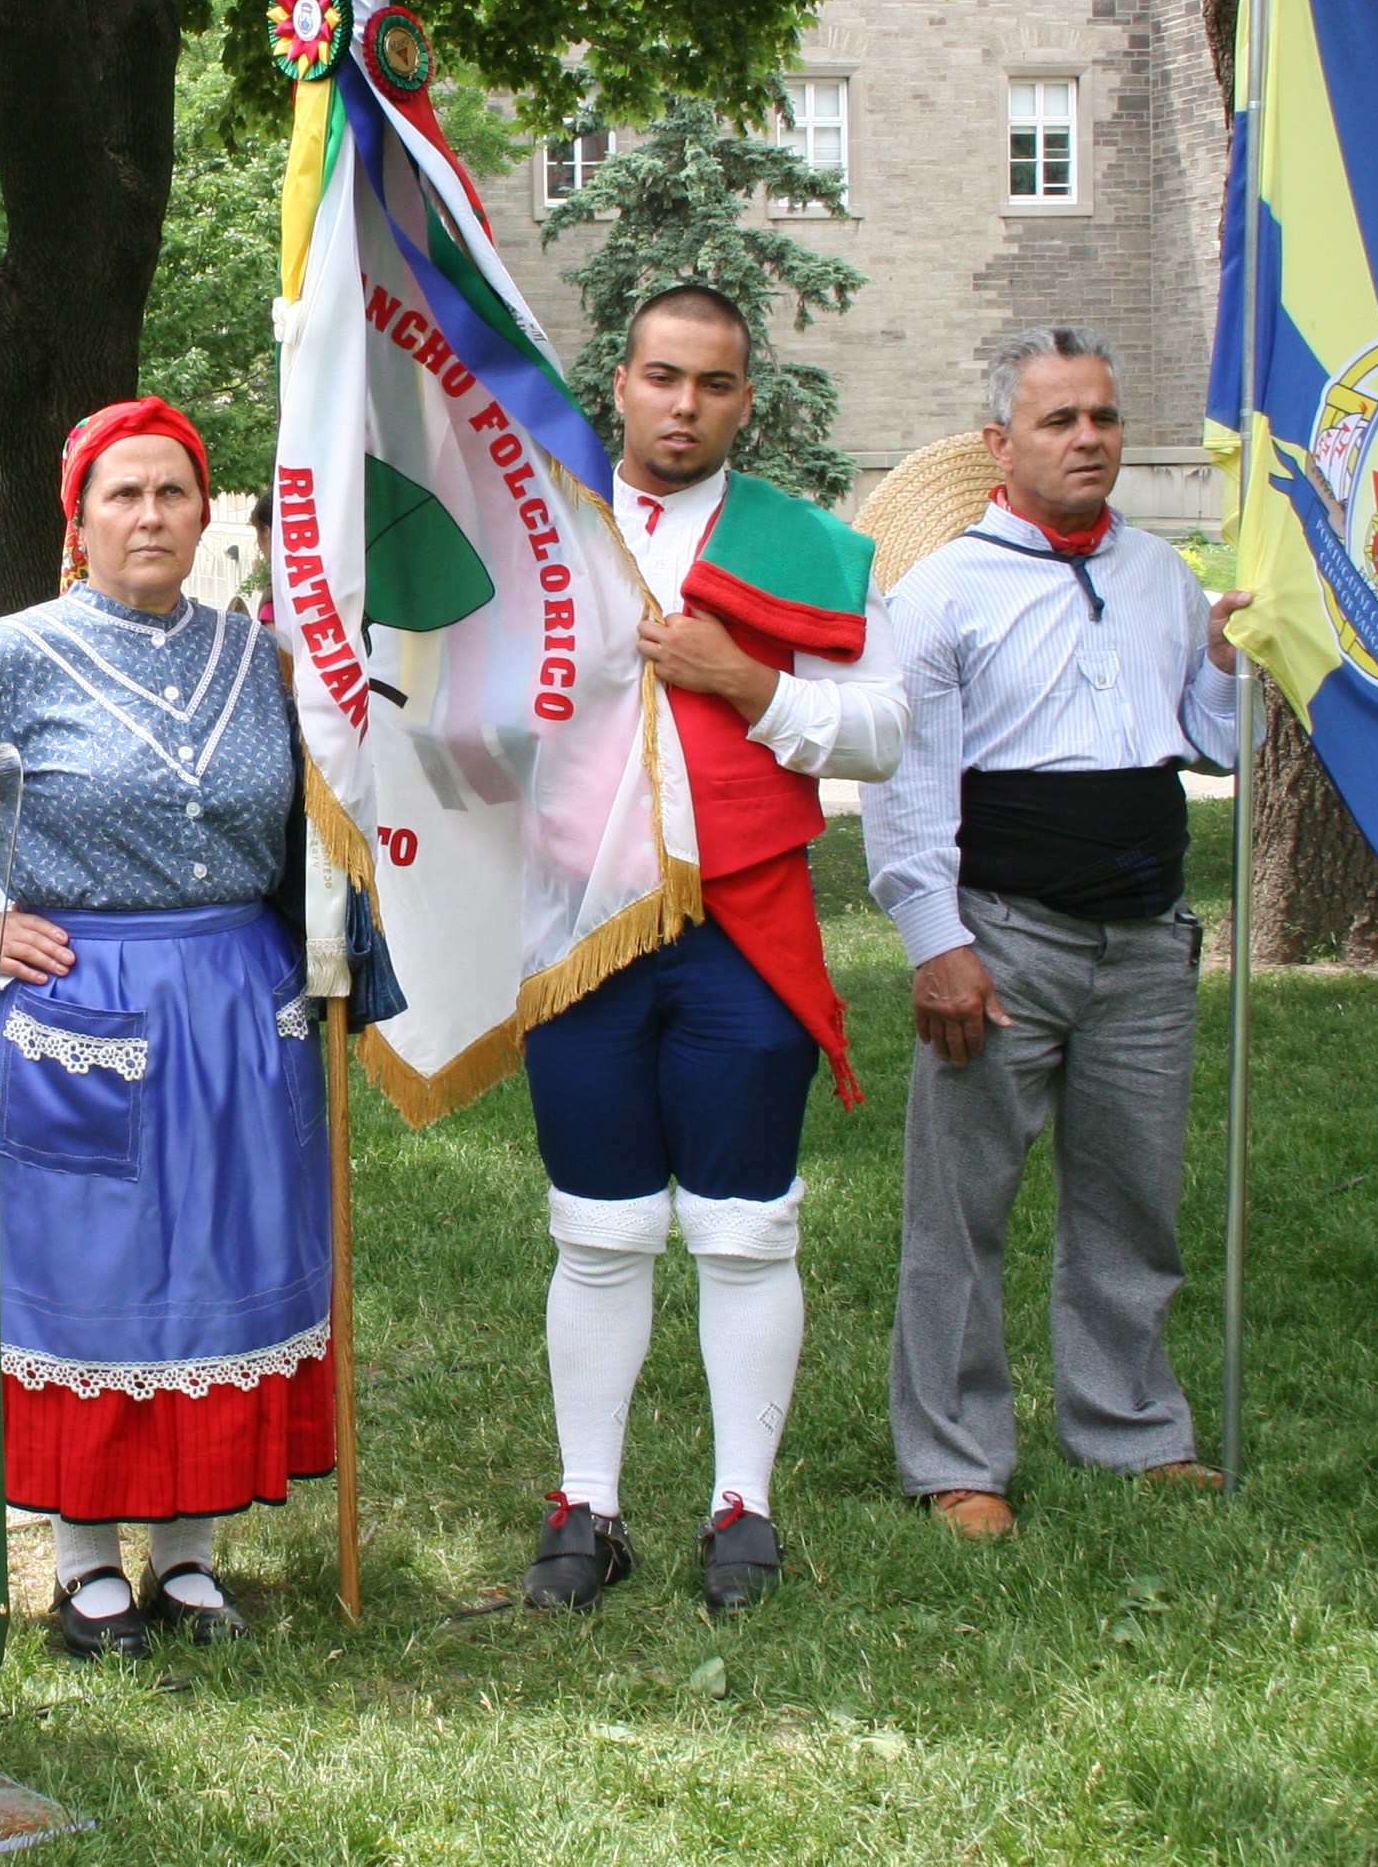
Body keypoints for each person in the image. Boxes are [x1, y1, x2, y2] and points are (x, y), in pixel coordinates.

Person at [0, 398, 331, 1655]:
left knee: (222, 1263)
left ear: (203, 512)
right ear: (77, 522)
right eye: (122, 494)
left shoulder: (259, 659)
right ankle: (84, 1566)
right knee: (94, 1275)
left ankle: (189, 1556)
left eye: (173, 492)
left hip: (239, 1002)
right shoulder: (5, 657)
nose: (151, 516)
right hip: (81, 1006)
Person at [521, 285, 907, 1617]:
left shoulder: (800, 544)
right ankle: (589, 1504)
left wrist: (742, 681)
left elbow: (884, 732)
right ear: (617, 381)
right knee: (598, 1227)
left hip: (742, 922)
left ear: (747, 398)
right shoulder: (535, 525)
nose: (685, 405)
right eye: (663, 377)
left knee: (744, 1229)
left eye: (715, 384)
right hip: (577, 924)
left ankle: (742, 1505)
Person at [863, 325, 1249, 1536]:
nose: (1090, 439)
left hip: (1144, 939)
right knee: (963, 1207)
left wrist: (1228, 664)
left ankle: (1130, 1424)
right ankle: (956, 1454)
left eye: (1105, 417)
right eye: (1060, 421)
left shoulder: (1160, 576)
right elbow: (907, 783)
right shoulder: (939, 591)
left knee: (1134, 1199)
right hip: (1004, 935)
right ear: (999, 442)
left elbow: (1215, 744)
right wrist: (938, 942)